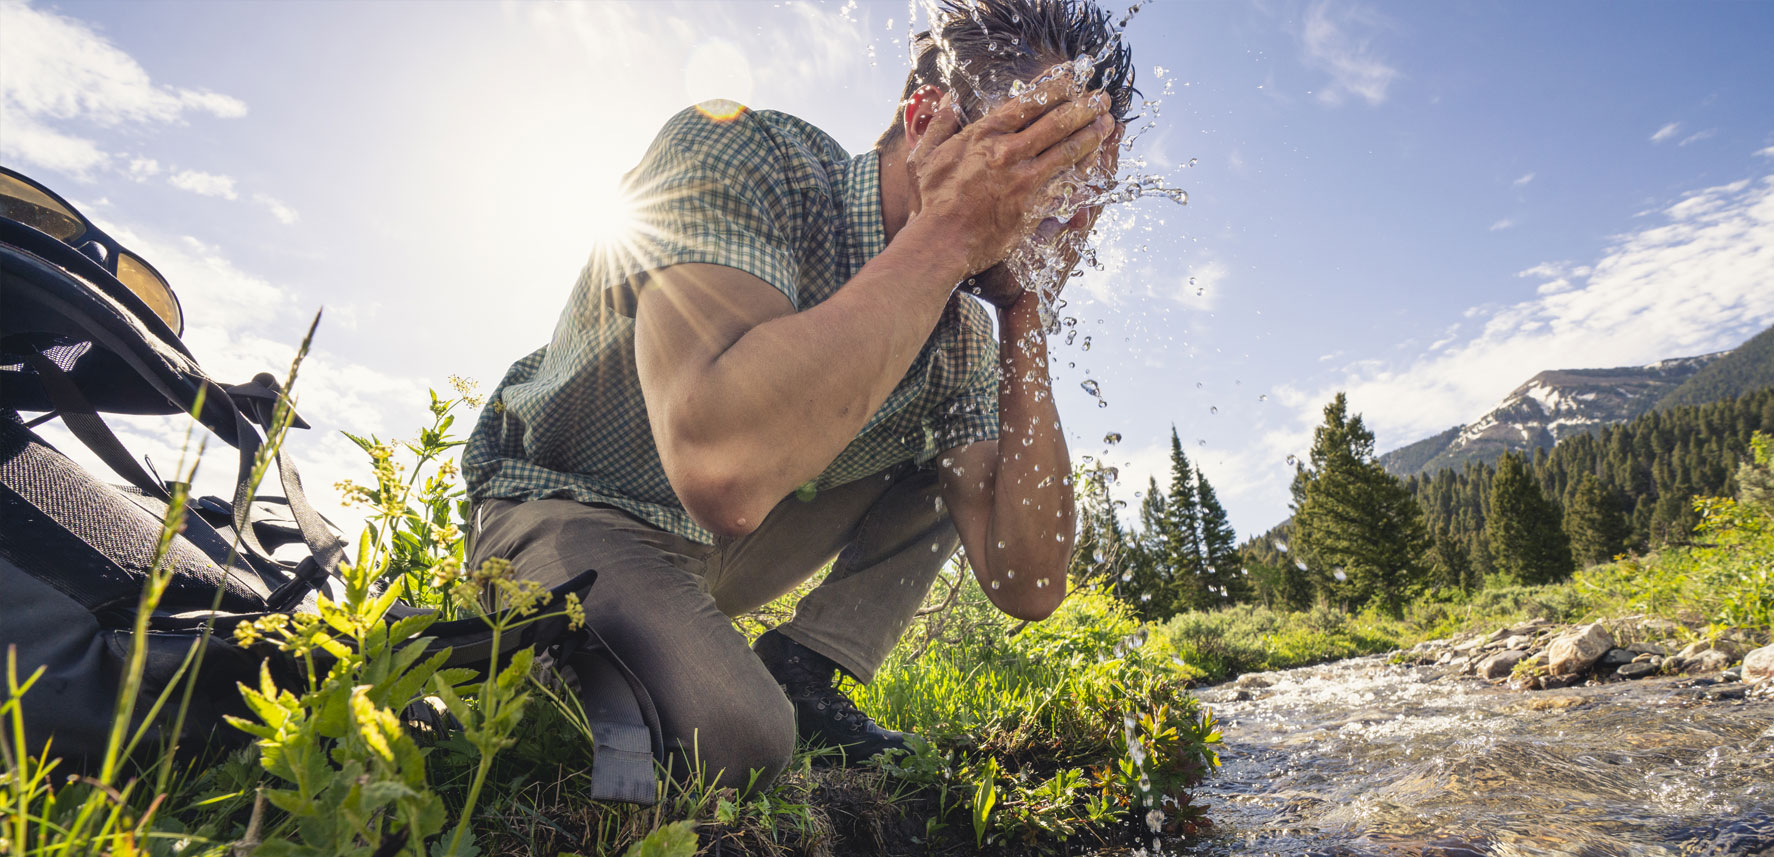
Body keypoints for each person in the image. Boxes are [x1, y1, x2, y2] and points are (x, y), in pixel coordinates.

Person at [462, 0, 1135, 790]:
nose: (1057, 218)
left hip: (713, 557)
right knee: (742, 735)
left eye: (1077, 192)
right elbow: (723, 466)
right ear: (926, 123)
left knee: (940, 456)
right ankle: (521, 658)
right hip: (567, 510)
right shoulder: (734, 150)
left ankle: (802, 668)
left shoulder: (960, 339)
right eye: (1037, 170)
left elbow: (1029, 582)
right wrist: (950, 233)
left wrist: (1026, 308)